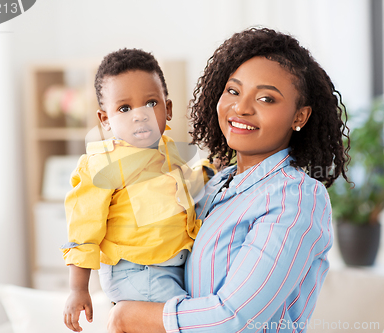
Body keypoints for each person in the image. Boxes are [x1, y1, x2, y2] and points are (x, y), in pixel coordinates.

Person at [107, 27, 351, 333]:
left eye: (266, 99)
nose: (242, 108)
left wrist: (127, 317)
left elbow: (234, 319)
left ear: (299, 117)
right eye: (233, 91)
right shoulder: (215, 184)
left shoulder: (296, 196)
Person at [61, 48, 215, 332]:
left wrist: (209, 170)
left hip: (170, 266)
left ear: (167, 110)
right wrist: (78, 289)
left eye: (151, 103)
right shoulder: (101, 164)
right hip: (137, 271)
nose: (139, 115)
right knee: (188, 323)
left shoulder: (169, 151)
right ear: (105, 119)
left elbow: (184, 188)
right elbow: (83, 228)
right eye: (124, 108)